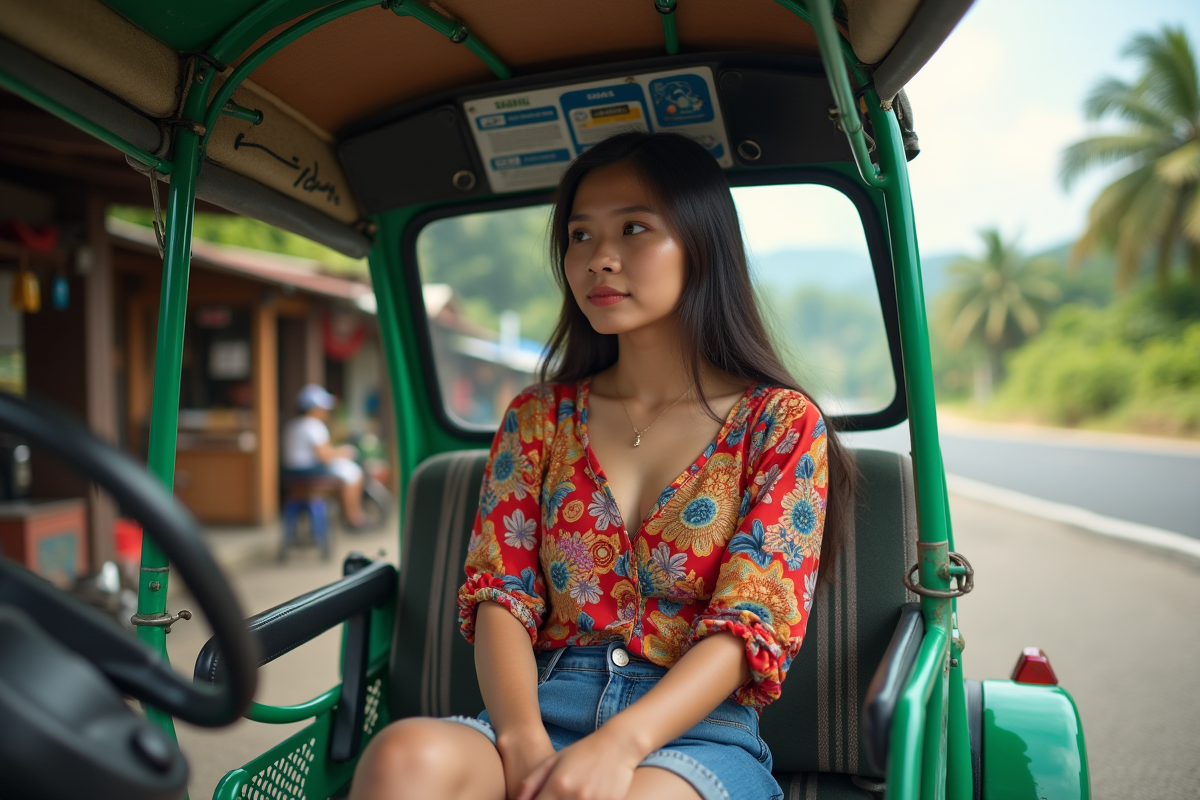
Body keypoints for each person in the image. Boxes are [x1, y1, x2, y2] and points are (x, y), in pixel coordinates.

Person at [350, 132, 855, 800]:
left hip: (696, 735)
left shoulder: (780, 424)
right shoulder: (538, 418)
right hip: (541, 704)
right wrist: (523, 739)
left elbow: (748, 626)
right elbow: (502, 595)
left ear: (702, 245)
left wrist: (620, 746)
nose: (599, 259)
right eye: (580, 236)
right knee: (402, 759)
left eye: (635, 229)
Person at [282, 383, 366, 528]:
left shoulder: (292, 424)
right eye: (323, 408)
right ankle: (354, 518)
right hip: (309, 471)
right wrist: (345, 452)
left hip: (289, 471)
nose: (326, 411)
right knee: (353, 472)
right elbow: (324, 456)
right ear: (313, 408)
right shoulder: (314, 425)